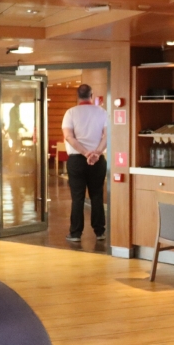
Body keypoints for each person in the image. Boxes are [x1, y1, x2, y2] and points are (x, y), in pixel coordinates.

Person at [61, 84, 107, 242]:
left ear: (77, 96)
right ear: (91, 95)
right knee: (96, 195)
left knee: (78, 197)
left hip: (76, 160)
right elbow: (107, 136)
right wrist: (97, 153)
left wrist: (85, 152)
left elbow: (69, 137)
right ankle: (100, 232)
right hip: (98, 159)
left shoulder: (70, 113)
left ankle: (75, 233)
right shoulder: (102, 112)